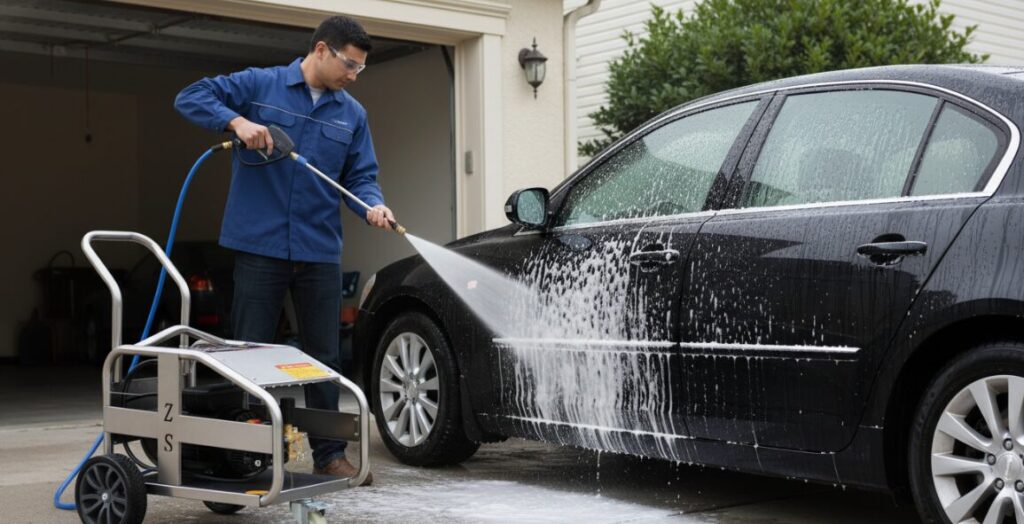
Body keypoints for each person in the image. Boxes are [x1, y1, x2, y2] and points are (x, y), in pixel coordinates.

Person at [173, 15, 394, 485]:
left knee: (323, 359)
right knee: (248, 353)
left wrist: (373, 205)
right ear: (321, 50)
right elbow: (190, 96)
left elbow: (360, 177)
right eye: (349, 65)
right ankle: (249, 456)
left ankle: (330, 456)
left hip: (318, 251)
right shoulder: (258, 85)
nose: (354, 76)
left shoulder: (352, 114)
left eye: (360, 69)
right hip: (259, 246)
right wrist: (236, 120)